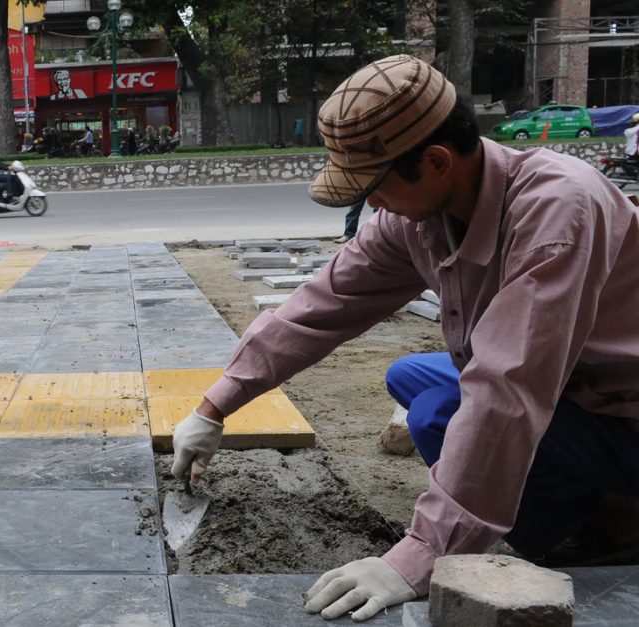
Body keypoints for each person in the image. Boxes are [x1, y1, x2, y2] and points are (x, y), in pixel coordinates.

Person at [172, 54, 639, 622]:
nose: (370, 202)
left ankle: (599, 528)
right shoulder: (417, 218)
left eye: (374, 184)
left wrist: (421, 554)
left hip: (622, 407)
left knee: (440, 411)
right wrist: (215, 405)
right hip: (571, 382)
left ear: (436, 161)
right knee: (409, 376)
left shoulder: (557, 209)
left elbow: (508, 389)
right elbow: (321, 306)